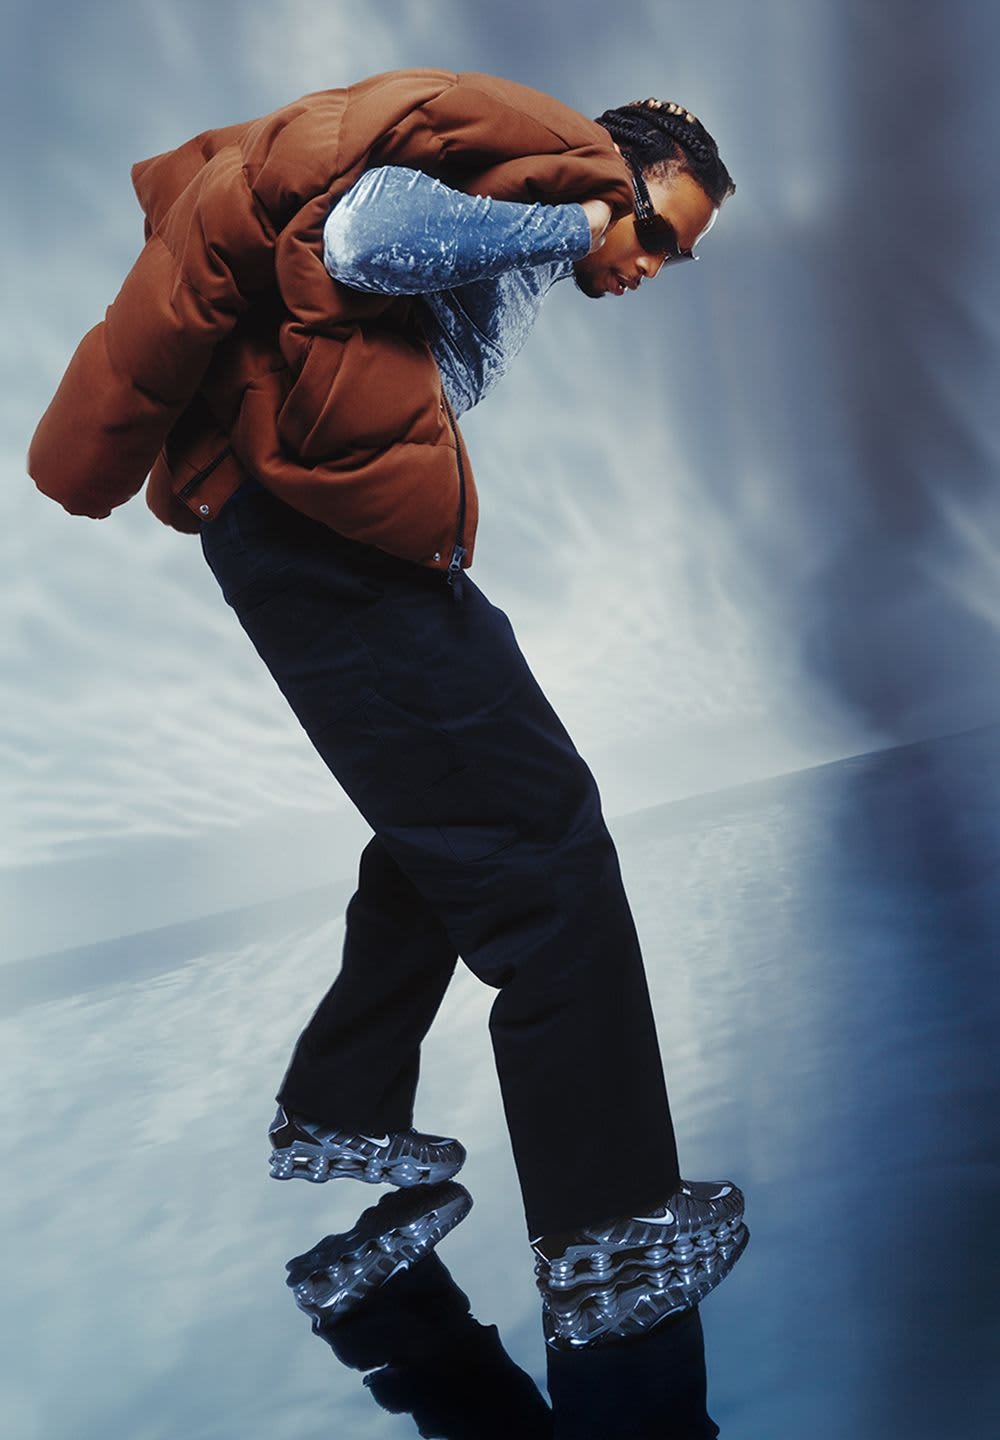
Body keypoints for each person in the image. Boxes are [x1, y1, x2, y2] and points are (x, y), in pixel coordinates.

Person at [27, 69, 745, 1347]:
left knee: (445, 824)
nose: (649, 266)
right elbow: (361, 233)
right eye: (657, 234)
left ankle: (341, 1107)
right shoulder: (560, 178)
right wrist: (576, 223)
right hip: (321, 563)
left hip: (304, 552)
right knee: (548, 858)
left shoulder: (500, 172)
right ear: (614, 182)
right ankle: (612, 1233)